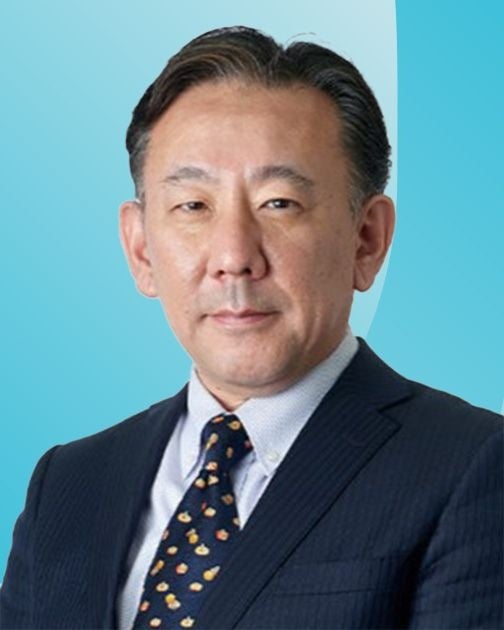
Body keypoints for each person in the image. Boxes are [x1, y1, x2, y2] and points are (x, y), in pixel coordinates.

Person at [1, 25, 502, 630]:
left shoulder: (471, 466)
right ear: (140, 249)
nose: (234, 256)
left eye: (279, 203)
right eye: (193, 206)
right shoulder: (69, 484)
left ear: (367, 239)